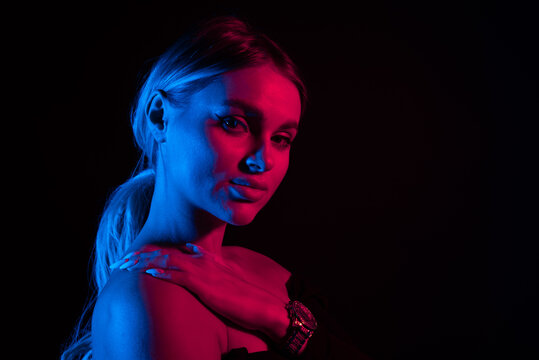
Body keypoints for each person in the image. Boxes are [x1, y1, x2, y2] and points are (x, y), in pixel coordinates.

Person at [61, 16, 371, 360]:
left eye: (282, 139)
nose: (262, 161)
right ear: (160, 116)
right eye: (234, 123)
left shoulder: (267, 275)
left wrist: (276, 319)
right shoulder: (150, 297)